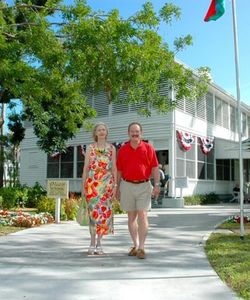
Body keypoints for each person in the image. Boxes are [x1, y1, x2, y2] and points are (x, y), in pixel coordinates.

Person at [116, 122, 160, 259]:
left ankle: (142, 247)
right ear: (128, 133)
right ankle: (135, 245)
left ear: (141, 133)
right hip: (127, 185)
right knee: (131, 217)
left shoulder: (148, 148)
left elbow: (155, 168)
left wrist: (157, 184)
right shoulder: (122, 150)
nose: (135, 134)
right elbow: (119, 170)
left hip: (144, 186)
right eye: (132, 131)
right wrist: (117, 188)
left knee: (142, 215)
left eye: (137, 131)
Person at [82, 122, 117, 255]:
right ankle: (91, 242)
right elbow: (85, 168)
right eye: (99, 130)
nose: (102, 132)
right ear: (95, 133)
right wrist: (83, 186)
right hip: (92, 185)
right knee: (92, 215)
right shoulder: (90, 147)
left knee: (103, 215)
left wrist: (115, 186)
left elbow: (114, 168)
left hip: (106, 185)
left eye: (104, 130)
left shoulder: (112, 148)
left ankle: (99, 243)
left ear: (106, 132)